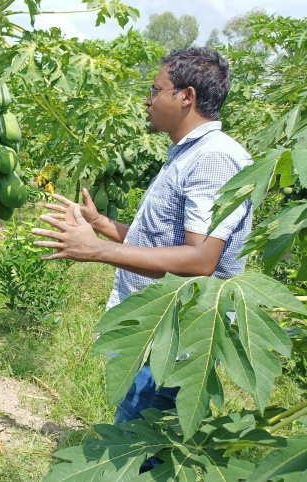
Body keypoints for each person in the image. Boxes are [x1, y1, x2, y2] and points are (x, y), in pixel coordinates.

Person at [33, 48, 253, 428]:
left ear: (187, 97)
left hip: (180, 339)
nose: (147, 100)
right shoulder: (188, 153)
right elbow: (163, 242)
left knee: (138, 450)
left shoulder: (214, 158)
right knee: (137, 437)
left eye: (155, 90)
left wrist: (98, 251)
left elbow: (200, 261)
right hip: (159, 330)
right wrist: (103, 225)